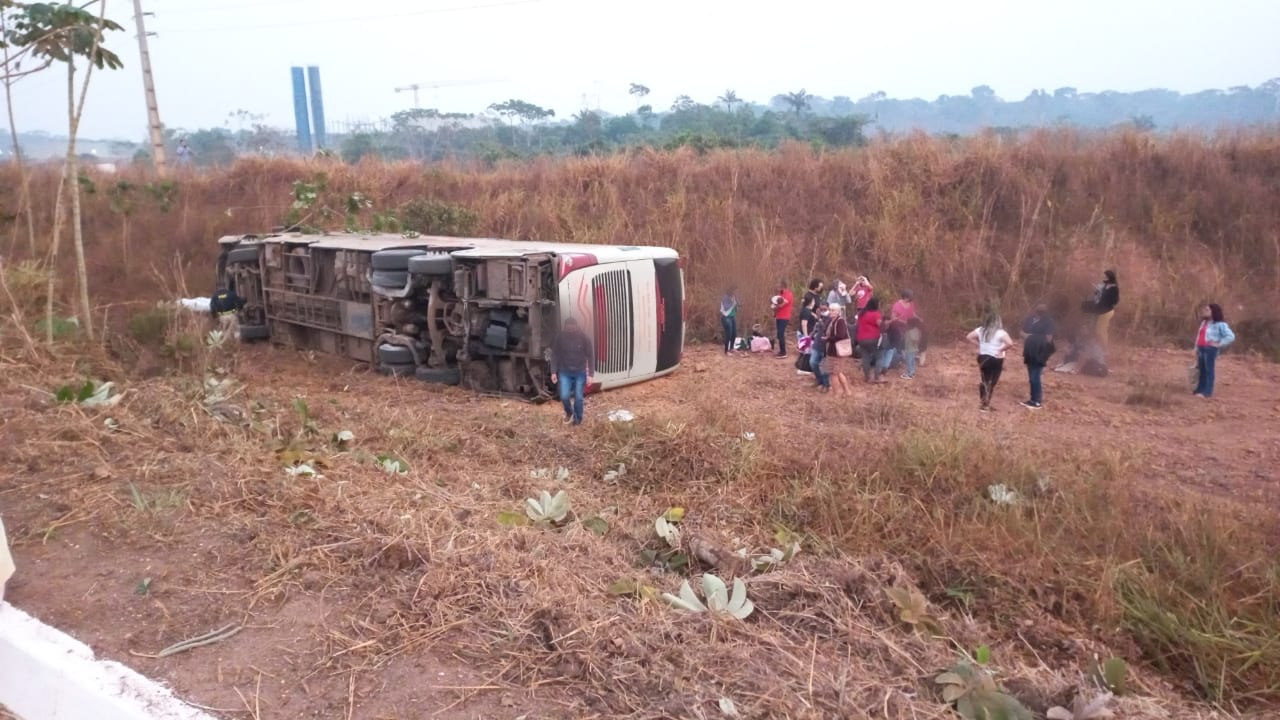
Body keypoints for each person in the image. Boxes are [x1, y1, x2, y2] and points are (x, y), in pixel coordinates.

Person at [966, 311, 1014, 412]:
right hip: (996, 359)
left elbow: (969, 336)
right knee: (992, 382)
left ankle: (983, 403)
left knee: (984, 380)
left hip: (983, 357)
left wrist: (980, 344)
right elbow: (1010, 343)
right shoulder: (1001, 332)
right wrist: (1001, 350)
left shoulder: (981, 330)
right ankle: (985, 405)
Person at [550, 317, 594, 426]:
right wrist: (553, 371)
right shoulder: (560, 337)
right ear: (565, 328)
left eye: (572, 329)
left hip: (580, 372)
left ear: (576, 327)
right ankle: (569, 412)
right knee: (564, 396)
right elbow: (554, 354)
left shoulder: (584, 338)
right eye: (568, 329)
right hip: (565, 371)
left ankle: (577, 420)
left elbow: (590, 356)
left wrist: (590, 374)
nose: (570, 331)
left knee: (579, 397)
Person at [1193, 303, 1235, 398]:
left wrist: (1218, 343)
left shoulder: (1220, 324)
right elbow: (1199, 336)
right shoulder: (1204, 323)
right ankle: (1200, 389)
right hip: (1201, 348)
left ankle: (1207, 391)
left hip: (1209, 349)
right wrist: (1196, 348)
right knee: (1202, 370)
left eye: (1208, 310)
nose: (1205, 312)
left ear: (1214, 312)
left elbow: (1231, 336)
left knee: (1209, 370)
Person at [1020, 303, 1056, 410]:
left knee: (1035, 376)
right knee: (1032, 376)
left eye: (1043, 308)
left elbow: (1048, 338)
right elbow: (1022, 332)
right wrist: (1026, 336)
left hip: (1040, 351)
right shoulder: (1029, 319)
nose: (1041, 310)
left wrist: (1032, 337)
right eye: (1039, 307)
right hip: (1029, 350)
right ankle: (1033, 399)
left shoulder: (1049, 321)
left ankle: (1037, 401)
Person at [823, 303, 853, 396]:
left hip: (836, 351)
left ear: (838, 311)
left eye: (833, 310)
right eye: (830, 310)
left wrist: (828, 339)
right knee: (838, 372)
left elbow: (840, 335)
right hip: (833, 350)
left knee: (833, 374)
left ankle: (836, 394)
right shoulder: (833, 321)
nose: (831, 312)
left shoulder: (840, 321)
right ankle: (847, 391)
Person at [855, 297, 884, 383]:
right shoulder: (876, 314)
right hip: (873, 339)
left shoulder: (861, 313)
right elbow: (880, 325)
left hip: (861, 339)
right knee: (879, 357)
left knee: (865, 358)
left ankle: (867, 377)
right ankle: (877, 377)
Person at [1091, 270, 1120, 348]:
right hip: (1100, 310)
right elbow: (1098, 296)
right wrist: (1097, 292)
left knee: (1100, 330)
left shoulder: (1113, 288)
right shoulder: (1104, 286)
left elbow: (1115, 301)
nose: (1104, 278)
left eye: (1106, 276)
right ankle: (1099, 347)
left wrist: (1106, 299)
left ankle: (1104, 348)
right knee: (1099, 329)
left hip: (1107, 311)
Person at [809, 301, 832, 391]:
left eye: (824, 309)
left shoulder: (831, 317)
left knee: (824, 366)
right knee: (813, 363)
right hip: (817, 343)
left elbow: (825, 328)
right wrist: (811, 335)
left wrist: (819, 318)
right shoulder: (820, 317)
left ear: (828, 307)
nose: (822, 311)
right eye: (821, 309)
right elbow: (817, 328)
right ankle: (819, 379)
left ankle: (826, 384)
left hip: (826, 346)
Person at [772, 280, 794, 358]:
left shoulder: (788, 294)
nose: (777, 288)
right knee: (779, 334)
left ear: (782, 286)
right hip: (779, 316)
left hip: (784, 317)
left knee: (780, 333)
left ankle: (783, 352)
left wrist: (775, 307)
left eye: (778, 286)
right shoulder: (780, 294)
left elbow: (781, 305)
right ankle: (781, 350)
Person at [719, 286, 738, 355]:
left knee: (734, 334)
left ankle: (732, 348)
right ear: (731, 291)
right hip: (726, 317)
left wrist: (738, 304)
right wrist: (732, 303)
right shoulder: (725, 297)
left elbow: (735, 306)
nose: (736, 292)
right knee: (728, 334)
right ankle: (726, 351)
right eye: (735, 291)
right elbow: (726, 307)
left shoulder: (733, 297)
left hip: (732, 317)